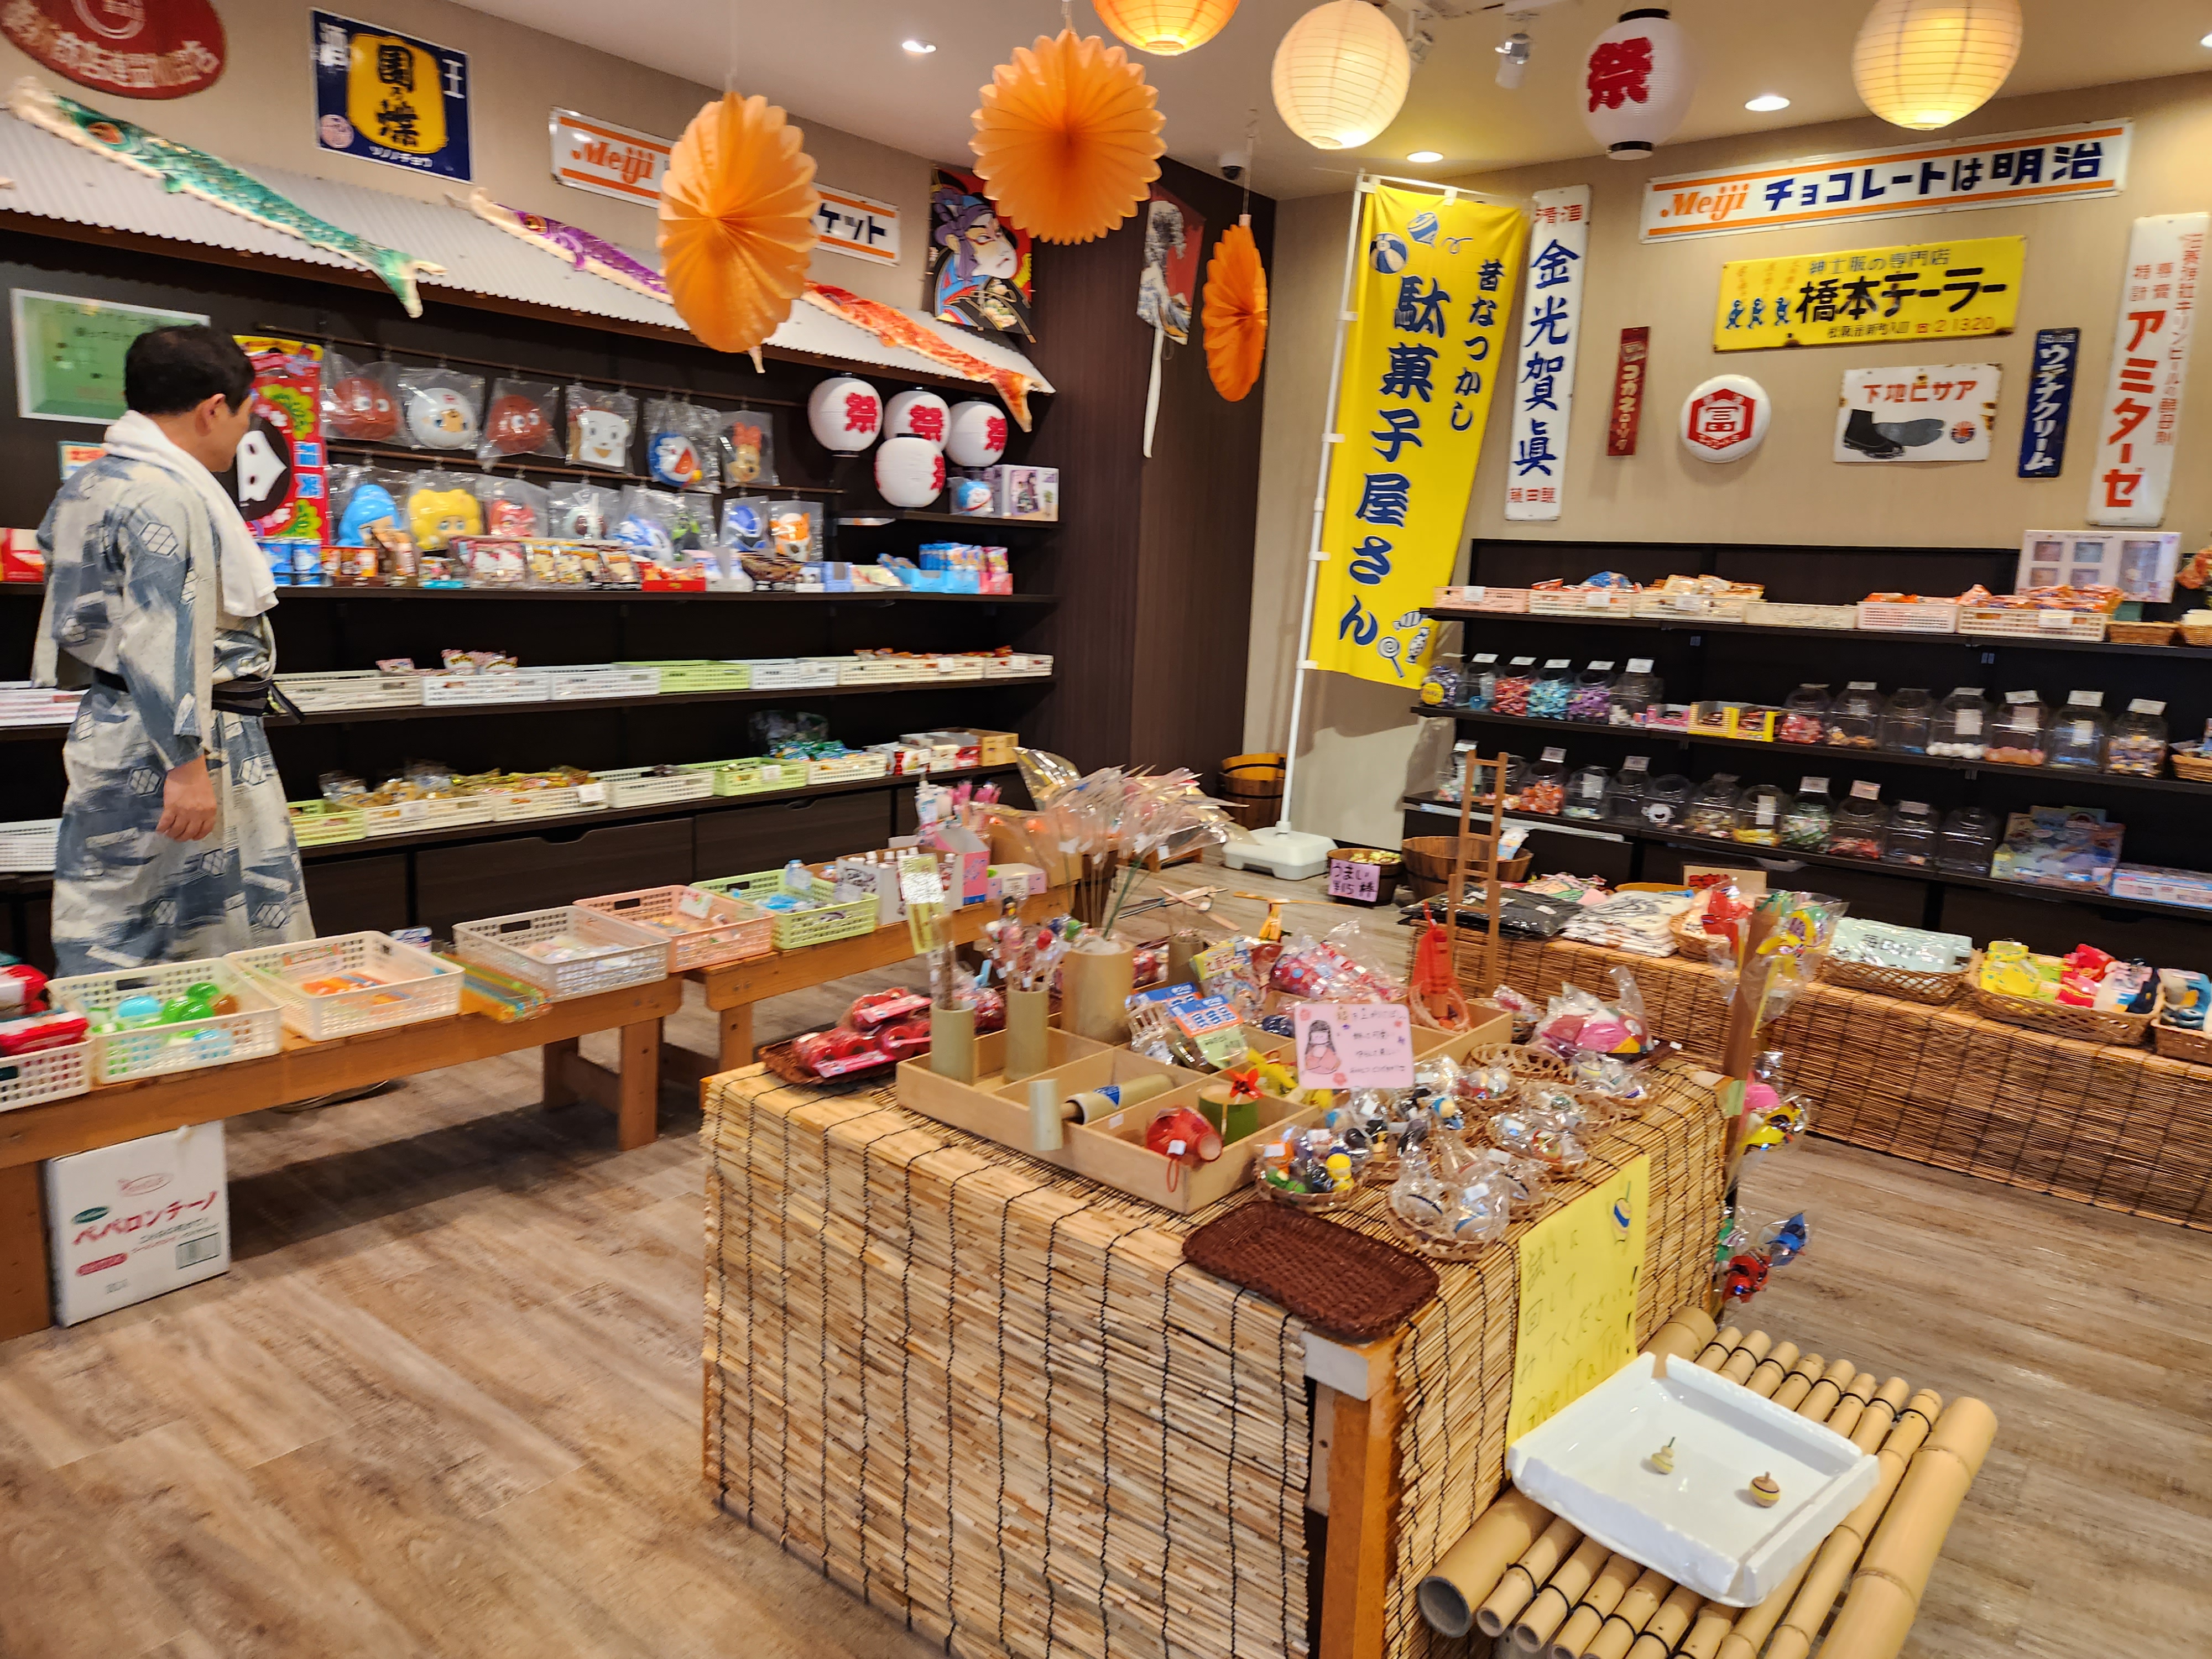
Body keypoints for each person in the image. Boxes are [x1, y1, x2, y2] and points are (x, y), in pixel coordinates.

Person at [36, 325, 312, 975]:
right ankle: (223, 1036)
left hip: (114, 723)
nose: (243, 434)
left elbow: (74, 610)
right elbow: (163, 636)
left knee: (116, 907)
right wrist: (186, 765)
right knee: (198, 921)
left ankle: (120, 1031)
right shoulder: (166, 494)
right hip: (182, 738)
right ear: (213, 409)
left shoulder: (88, 483)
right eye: (245, 416)